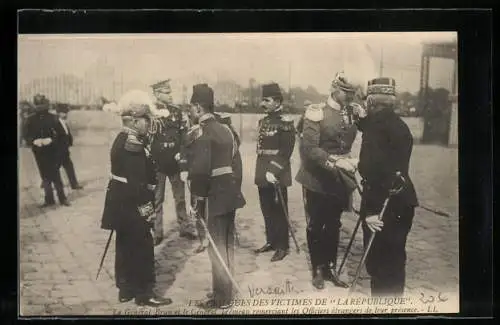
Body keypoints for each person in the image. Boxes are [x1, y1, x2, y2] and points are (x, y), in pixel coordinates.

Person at [100, 90, 172, 307]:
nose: (149, 123)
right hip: (133, 203)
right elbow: (137, 183)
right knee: (142, 245)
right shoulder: (132, 142)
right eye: (145, 119)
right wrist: (147, 210)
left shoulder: (125, 138)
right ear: (132, 121)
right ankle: (144, 293)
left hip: (121, 203)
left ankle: (126, 288)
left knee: (125, 244)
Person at [353, 77, 419, 297]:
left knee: (379, 266)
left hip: (382, 205)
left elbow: (371, 171)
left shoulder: (375, 131)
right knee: (395, 262)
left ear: (371, 103)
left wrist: (369, 213)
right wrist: (360, 120)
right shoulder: (399, 125)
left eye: (367, 104)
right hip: (403, 204)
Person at [295, 72, 359, 289]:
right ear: (334, 88)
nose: (350, 96)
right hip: (317, 177)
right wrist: (334, 162)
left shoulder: (352, 112)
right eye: (346, 92)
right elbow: (310, 148)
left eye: (352, 93)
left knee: (334, 223)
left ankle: (330, 267)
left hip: (339, 178)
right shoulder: (316, 112)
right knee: (316, 224)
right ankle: (317, 269)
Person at [185, 84, 246, 309]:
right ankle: (225, 293)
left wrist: (196, 200)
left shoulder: (202, 131)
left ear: (199, 108)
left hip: (213, 195)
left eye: (192, 107)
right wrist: (233, 187)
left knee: (216, 245)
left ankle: (222, 298)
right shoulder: (227, 129)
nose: (191, 111)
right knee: (227, 243)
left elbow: (200, 172)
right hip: (229, 192)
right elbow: (236, 163)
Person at [149, 79, 197, 245]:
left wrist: (182, 156)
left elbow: (185, 137)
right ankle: (157, 231)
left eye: (170, 92)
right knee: (157, 199)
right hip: (157, 163)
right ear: (156, 94)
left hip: (175, 162)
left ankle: (185, 227)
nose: (169, 95)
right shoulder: (150, 112)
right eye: (165, 92)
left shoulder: (177, 112)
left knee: (180, 197)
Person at [253, 82, 296, 262]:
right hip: (263, 171)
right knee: (267, 209)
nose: (263, 104)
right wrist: (264, 172)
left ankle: (282, 246)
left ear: (277, 102)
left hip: (276, 172)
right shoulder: (263, 121)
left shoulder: (285, 123)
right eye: (263, 100)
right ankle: (271, 241)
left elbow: (286, 151)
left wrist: (273, 170)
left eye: (267, 100)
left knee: (279, 209)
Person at [24, 94, 70, 207]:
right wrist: (34, 141)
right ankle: (49, 199)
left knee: (55, 174)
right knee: (44, 175)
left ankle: (62, 198)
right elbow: (25, 135)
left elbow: (62, 135)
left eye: (42, 105)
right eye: (38, 105)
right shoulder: (30, 119)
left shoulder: (53, 118)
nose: (40, 108)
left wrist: (51, 140)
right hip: (38, 151)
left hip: (52, 150)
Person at [54, 103, 84, 190]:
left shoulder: (63, 122)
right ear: (59, 113)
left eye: (66, 112)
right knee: (57, 167)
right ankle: (45, 183)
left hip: (64, 150)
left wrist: (69, 142)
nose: (66, 114)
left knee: (67, 166)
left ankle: (74, 184)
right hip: (58, 151)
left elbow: (67, 134)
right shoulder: (56, 122)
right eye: (64, 112)